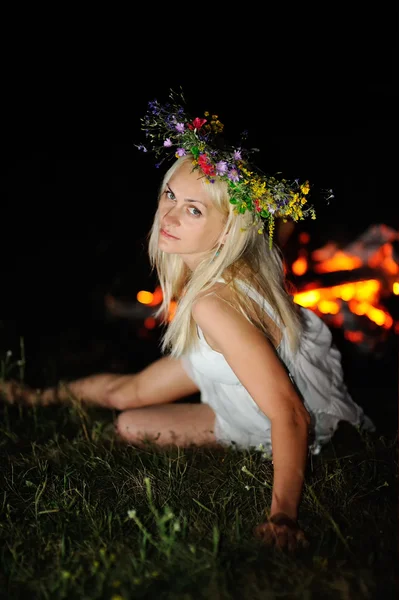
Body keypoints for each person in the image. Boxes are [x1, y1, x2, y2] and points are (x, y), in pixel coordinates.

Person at [1, 92, 375, 552]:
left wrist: (282, 516)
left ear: (228, 231)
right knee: (125, 393)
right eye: (171, 196)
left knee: (130, 426)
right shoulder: (231, 263)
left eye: (194, 210)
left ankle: (239, 443)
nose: (169, 215)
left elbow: (289, 411)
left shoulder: (214, 303)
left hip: (262, 413)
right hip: (226, 366)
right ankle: (36, 397)